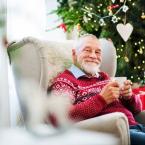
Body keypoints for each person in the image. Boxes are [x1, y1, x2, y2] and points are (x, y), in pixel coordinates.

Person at [50, 34, 145, 145]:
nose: (93, 56)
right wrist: (101, 99)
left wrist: (129, 97)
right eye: (87, 50)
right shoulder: (64, 81)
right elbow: (59, 117)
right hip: (115, 134)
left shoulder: (103, 76)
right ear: (74, 54)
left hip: (136, 126)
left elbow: (137, 110)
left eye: (97, 52)